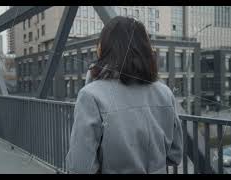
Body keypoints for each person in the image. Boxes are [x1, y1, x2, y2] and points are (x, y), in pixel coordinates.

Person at [65, 16, 183, 174]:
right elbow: (175, 156)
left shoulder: (91, 95)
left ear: (104, 49)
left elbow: (80, 167)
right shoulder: (165, 93)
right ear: (146, 49)